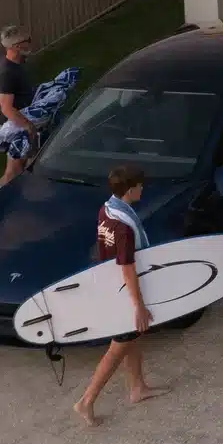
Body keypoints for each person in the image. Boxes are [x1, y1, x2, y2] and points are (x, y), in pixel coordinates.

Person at [72, 164, 168, 427]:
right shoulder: (124, 228)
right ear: (129, 190)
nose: (142, 189)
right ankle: (86, 401)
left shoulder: (107, 210)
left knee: (133, 339)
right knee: (118, 348)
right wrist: (138, 305)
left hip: (110, 285)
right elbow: (127, 268)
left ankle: (138, 388)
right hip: (124, 291)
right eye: (139, 186)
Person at [0, 25, 38, 184]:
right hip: (16, 126)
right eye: (28, 41)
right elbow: (6, 107)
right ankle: (0, 199)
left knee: (22, 163)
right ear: (17, 46)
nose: (31, 44)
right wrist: (28, 126)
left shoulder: (16, 64)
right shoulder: (7, 73)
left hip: (20, 121)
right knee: (14, 170)